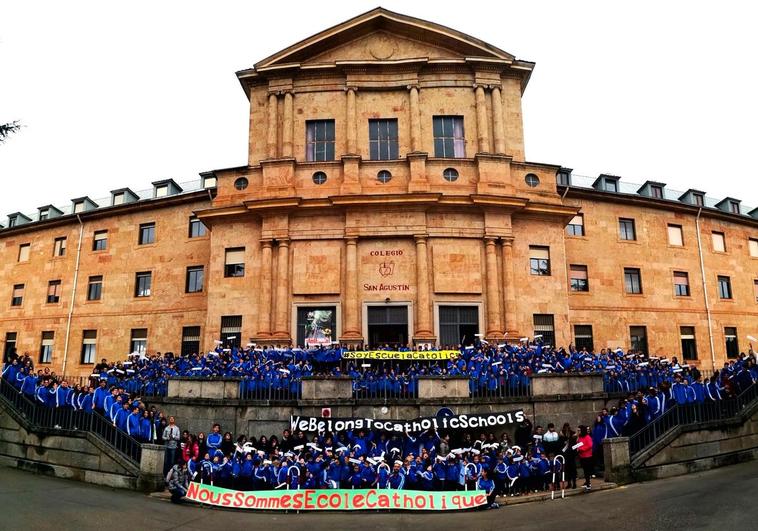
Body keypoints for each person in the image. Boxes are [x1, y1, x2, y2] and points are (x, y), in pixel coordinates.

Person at [576, 425, 594, 491]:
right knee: (585, 470)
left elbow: (590, 445)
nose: (578, 432)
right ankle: (587, 482)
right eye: (577, 430)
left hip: (587, 456)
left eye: (579, 430)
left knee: (587, 471)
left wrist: (581, 449)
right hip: (582, 456)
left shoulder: (587, 437)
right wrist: (574, 448)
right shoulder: (580, 437)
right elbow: (579, 444)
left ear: (582, 430)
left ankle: (588, 485)